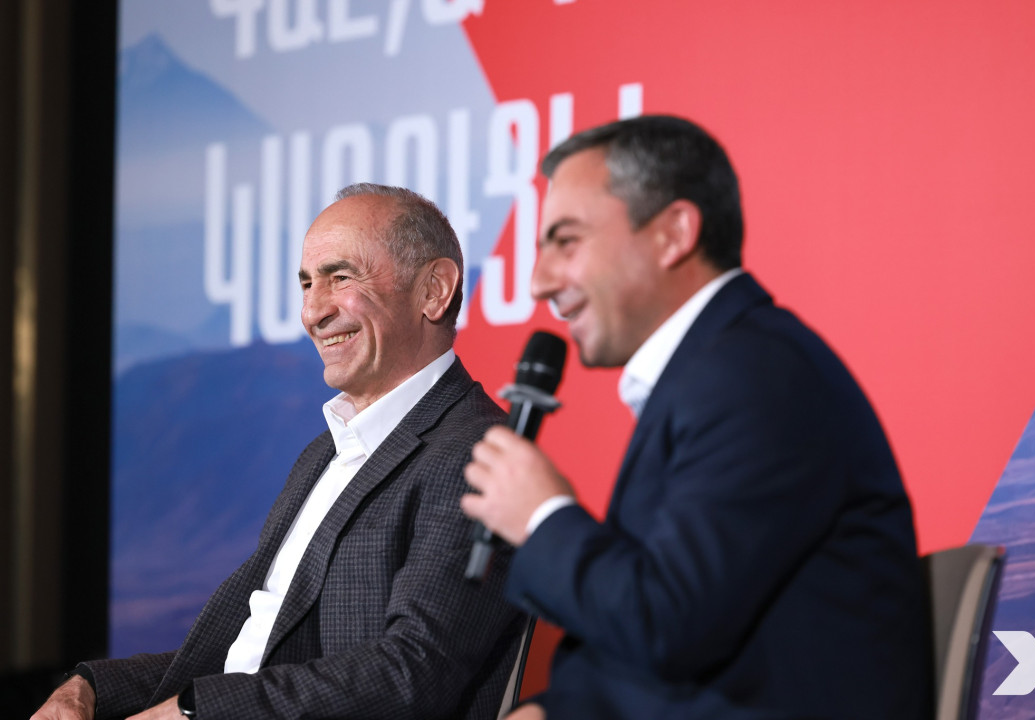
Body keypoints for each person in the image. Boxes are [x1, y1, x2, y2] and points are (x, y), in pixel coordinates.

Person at [461, 116, 933, 719]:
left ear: (673, 234)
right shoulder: (717, 371)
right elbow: (668, 635)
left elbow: (666, 624)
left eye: (567, 241)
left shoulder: (754, 377)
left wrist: (543, 515)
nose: (539, 281)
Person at [34, 184, 522, 720]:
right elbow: (249, 650)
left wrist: (198, 712)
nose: (312, 312)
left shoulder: (478, 454)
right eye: (307, 283)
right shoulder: (322, 454)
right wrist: (91, 688)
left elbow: (412, 673)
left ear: (434, 290)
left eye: (341, 278)